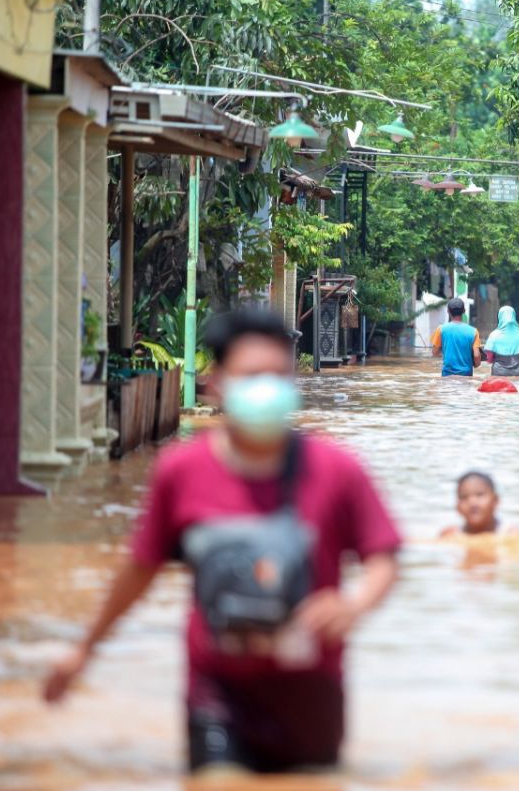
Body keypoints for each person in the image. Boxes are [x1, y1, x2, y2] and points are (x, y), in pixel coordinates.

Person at [43, 308, 401, 775]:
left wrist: (354, 605)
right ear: (217, 383)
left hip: (311, 692)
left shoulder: (337, 469)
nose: (266, 388)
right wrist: (84, 650)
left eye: (278, 375)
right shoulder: (182, 472)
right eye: (252, 375)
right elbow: (140, 569)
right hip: (218, 694)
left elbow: (384, 557)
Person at [440, 471, 519, 537]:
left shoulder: (512, 535)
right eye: (464, 497)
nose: (472, 503)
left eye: (480, 494)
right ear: (457, 507)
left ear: (495, 500)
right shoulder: (450, 535)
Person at [430, 298, 481, 377]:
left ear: (448, 311)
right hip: (466, 375)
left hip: (447, 375)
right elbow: (477, 356)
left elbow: (434, 353)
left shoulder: (440, 329)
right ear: (464, 311)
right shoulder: (474, 332)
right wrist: (477, 364)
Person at [483, 306, 519, 377]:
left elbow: (488, 359)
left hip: (499, 373)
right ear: (514, 317)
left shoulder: (493, 335)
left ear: (499, 317)